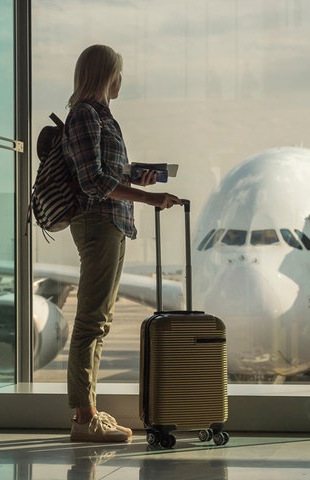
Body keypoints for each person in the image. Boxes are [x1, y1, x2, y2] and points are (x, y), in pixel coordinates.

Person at [62, 44, 182, 443]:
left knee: (100, 321)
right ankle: (83, 417)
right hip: (98, 223)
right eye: (118, 72)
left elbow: (108, 171)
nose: (121, 80)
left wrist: (137, 175)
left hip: (110, 223)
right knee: (91, 321)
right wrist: (148, 198)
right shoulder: (83, 115)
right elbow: (93, 182)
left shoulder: (100, 117)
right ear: (105, 75)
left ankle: (88, 409)